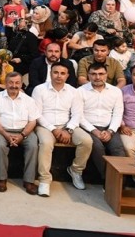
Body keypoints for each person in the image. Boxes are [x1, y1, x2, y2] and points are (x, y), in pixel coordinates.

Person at [32, 60, 92, 197]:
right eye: (56, 72)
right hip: (45, 126)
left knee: (86, 141)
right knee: (46, 143)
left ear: (67, 75)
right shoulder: (39, 89)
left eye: (62, 73)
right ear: (50, 73)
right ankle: (44, 180)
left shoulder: (74, 91)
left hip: (67, 125)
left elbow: (77, 114)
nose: (59, 76)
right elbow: (37, 114)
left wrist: (68, 130)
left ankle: (76, 170)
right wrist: (53, 129)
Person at [0, 72, 39, 194]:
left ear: (21, 84)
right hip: (1, 130)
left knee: (33, 145)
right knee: (0, 145)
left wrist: (22, 135)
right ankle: (1, 179)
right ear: (5, 83)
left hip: (24, 131)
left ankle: (29, 180)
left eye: (17, 83)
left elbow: (32, 121)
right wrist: (5, 134)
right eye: (10, 82)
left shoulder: (29, 100)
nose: (14, 85)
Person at [77, 63, 125, 181]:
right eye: (93, 74)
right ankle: (107, 180)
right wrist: (94, 131)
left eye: (101, 74)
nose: (97, 77)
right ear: (88, 75)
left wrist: (110, 131)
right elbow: (79, 115)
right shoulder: (80, 91)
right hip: (88, 127)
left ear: (106, 75)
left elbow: (118, 114)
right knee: (97, 148)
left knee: (118, 148)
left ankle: (120, 181)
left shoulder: (115, 91)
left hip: (109, 127)